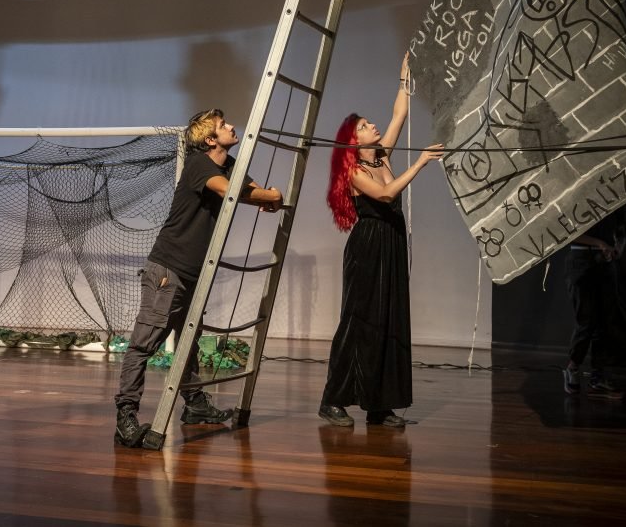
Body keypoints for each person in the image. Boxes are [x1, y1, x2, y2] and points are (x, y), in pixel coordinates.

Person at [114, 109, 283, 447]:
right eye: (223, 125)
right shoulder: (198, 164)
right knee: (145, 343)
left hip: (194, 272)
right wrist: (271, 197)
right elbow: (230, 192)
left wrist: (266, 197)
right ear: (210, 140)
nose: (231, 126)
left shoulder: (228, 164)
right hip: (168, 269)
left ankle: (194, 403)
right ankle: (125, 415)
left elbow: (251, 190)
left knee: (190, 338)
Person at [321, 52, 444, 427]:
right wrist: (420, 162)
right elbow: (387, 194)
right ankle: (333, 400)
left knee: (388, 320)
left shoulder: (381, 157)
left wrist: (404, 78)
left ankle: (380, 405)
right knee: (359, 321)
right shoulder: (355, 172)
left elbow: (399, 114)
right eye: (364, 126)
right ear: (353, 140)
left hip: (390, 242)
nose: (372, 125)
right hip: (368, 246)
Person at [562, 214, 625, 399]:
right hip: (580, 260)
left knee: (605, 321)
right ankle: (573, 367)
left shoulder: (608, 204)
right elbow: (569, 234)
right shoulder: (575, 200)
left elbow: (617, 231)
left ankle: (598, 377)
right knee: (586, 321)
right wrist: (599, 243)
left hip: (602, 261)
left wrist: (615, 246)